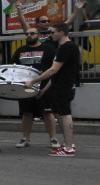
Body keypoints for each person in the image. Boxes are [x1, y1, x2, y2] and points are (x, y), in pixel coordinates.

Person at [26, 23, 80, 156]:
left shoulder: (67, 47)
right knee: (60, 114)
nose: (51, 35)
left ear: (61, 32)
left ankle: (68, 148)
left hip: (64, 86)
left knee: (65, 114)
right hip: (60, 85)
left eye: (53, 32)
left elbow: (53, 70)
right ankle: (67, 144)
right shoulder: (63, 47)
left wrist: (33, 81)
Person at [11, 26, 56, 149]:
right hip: (25, 88)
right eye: (27, 34)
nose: (29, 35)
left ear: (39, 35)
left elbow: (54, 71)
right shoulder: (20, 50)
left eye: (32, 33)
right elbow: (14, 69)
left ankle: (53, 139)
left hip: (44, 87)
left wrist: (44, 89)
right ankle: (25, 138)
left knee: (48, 113)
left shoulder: (49, 50)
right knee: (27, 113)